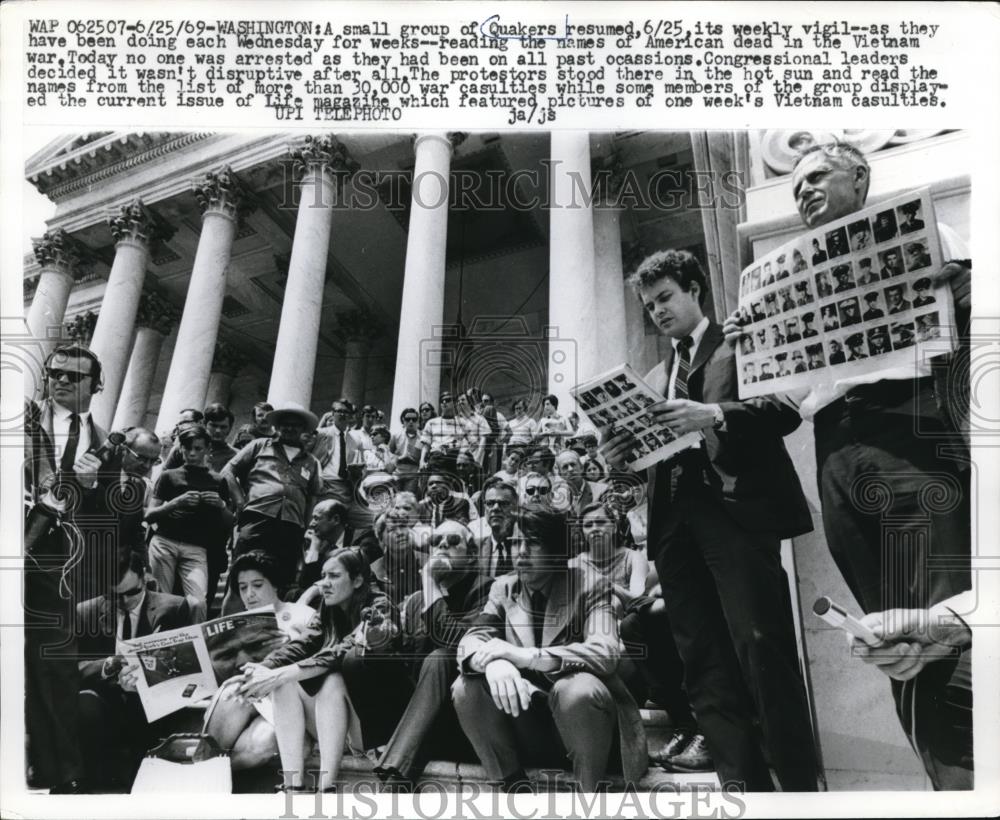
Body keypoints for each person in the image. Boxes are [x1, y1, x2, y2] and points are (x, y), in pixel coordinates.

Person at [724, 140, 973, 789]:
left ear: (859, 177)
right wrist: (744, 350)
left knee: (938, 617)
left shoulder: (928, 234)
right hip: (834, 446)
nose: (804, 191)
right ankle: (944, 776)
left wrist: (965, 293)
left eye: (817, 177)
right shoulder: (780, 286)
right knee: (887, 632)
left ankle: (966, 777)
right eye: (796, 184)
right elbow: (779, 400)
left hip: (908, 428)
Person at [601, 249, 818, 791]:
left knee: (762, 650)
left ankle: (798, 793)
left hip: (737, 514)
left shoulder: (740, 340)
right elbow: (643, 453)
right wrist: (617, 454)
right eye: (649, 305)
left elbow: (786, 410)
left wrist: (714, 414)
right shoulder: (652, 375)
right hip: (673, 526)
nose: (657, 311)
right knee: (703, 663)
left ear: (696, 290)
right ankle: (743, 791)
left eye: (666, 298)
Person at [452, 508, 647, 792]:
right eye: (516, 542)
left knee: (576, 689)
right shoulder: (504, 588)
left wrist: (529, 657)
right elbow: (472, 639)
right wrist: (494, 664)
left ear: (556, 550)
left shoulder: (590, 584)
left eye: (532, 542)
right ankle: (511, 785)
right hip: (528, 720)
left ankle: (588, 800)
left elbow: (605, 652)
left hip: (586, 727)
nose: (521, 551)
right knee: (465, 686)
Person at [240, 549, 410, 792]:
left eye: (334, 576)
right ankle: (293, 788)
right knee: (283, 684)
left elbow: (341, 652)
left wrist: (285, 672)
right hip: (339, 724)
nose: (324, 584)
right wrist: (263, 669)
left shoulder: (380, 606)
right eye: (323, 576)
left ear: (358, 580)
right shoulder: (329, 607)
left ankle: (326, 789)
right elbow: (302, 644)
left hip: (377, 730)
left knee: (332, 680)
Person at [23, 344, 113, 792]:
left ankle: (61, 772)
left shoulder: (103, 443)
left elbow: (106, 519)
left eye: (73, 376)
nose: (60, 380)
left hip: (56, 565)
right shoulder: (19, 418)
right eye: (54, 372)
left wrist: (93, 487)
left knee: (56, 667)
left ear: (94, 386)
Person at [375, 521, 495, 789]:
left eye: (453, 541)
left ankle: (395, 777)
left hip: (466, 725)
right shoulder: (417, 600)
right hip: (423, 728)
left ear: (472, 555)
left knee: (440, 658)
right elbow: (406, 669)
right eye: (436, 541)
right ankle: (391, 764)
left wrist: (429, 580)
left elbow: (457, 641)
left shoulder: (487, 590)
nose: (442, 545)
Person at [75, 550, 192, 790]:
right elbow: (72, 669)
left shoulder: (174, 608)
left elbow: (186, 668)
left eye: (132, 593)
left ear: (145, 577)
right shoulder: (86, 611)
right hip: (107, 702)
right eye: (115, 595)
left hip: (152, 705)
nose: (125, 602)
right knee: (84, 704)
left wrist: (147, 681)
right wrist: (109, 666)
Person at [204, 551, 319, 772]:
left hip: (288, 703)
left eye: (257, 585)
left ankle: (209, 776)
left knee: (262, 742)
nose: (249, 594)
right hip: (247, 696)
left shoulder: (303, 614)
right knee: (232, 692)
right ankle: (205, 769)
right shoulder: (234, 625)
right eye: (243, 587)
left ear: (275, 585)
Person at [222, 403, 323, 593]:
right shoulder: (259, 445)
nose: (290, 428)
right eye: (285, 423)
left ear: (303, 429)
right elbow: (227, 471)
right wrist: (240, 501)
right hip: (257, 518)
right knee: (240, 580)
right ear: (277, 426)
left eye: (295, 425)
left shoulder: (311, 462)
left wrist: (304, 527)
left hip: (290, 526)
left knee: (281, 583)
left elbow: (312, 497)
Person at [146, 424, 233, 622]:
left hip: (197, 548)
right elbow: (149, 514)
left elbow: (230, 522)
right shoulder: (169, 476)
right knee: (160, 600)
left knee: (198, 603)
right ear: (180, 448)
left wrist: (220, 505)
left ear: (207, 449)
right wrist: (175, 504)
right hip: (164, 542)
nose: (191, 453)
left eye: (198, 448)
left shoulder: (218, 481)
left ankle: (196, 648)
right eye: (187, 448)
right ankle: (155, 646)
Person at [389, 408, 423, 494]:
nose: (411, 421)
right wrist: (399, 458)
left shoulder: (422, 437)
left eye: (414, 419)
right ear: (403, 421)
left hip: (413, 475)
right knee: (395, 500)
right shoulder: (396, 436)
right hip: (397, 473)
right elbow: (389, 454)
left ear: (417, 421)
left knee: (408, 500)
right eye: (408, 419)